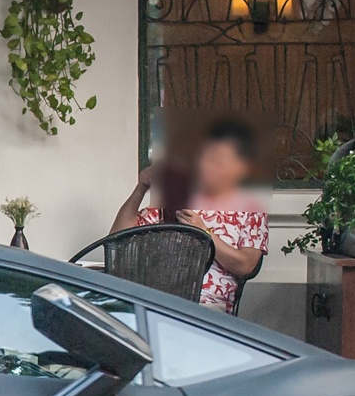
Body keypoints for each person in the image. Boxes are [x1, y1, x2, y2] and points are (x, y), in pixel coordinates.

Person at [109, 118, 269, 315]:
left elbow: (246, 265)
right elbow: (116, 237)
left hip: (205, 305)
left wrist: (204, 232)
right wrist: (141, 188)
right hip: (155, 300)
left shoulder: (250, 209)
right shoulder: (173, 205)